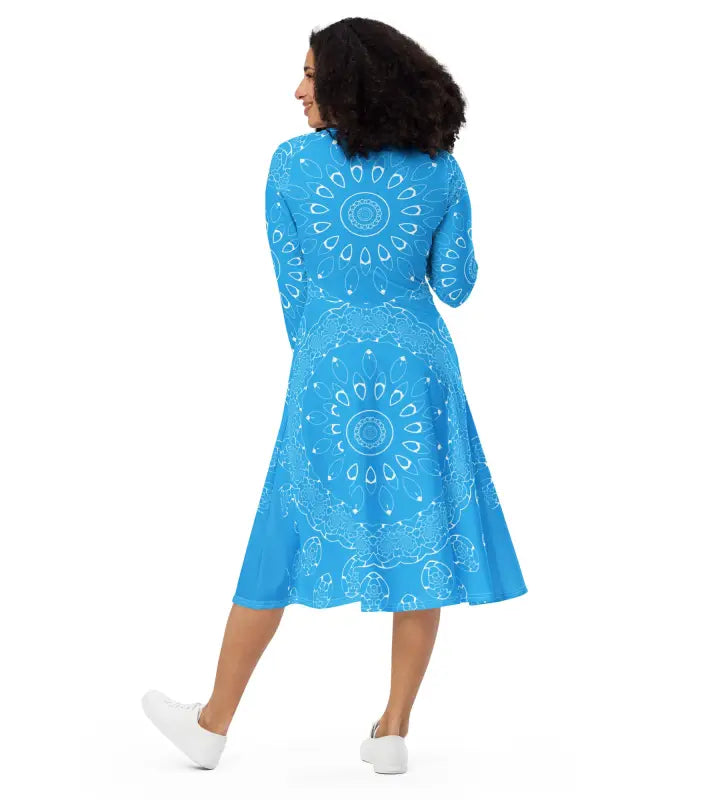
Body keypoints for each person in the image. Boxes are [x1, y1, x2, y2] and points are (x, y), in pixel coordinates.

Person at [141, 16, 528, 775]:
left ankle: (212, 723)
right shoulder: (439, 168)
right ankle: (392, 732)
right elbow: (456, 286)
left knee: (282, 530)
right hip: (420, 369)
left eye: (312, 76)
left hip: (326, 366)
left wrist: (327, 356)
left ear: (352, 83)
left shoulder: (289, 165)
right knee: (421, 536)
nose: (298, 90)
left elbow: (295, 301)